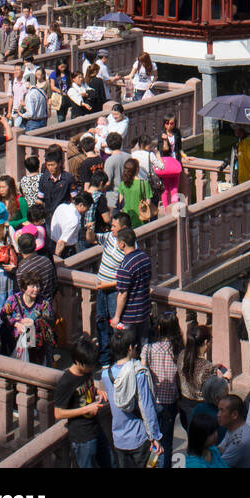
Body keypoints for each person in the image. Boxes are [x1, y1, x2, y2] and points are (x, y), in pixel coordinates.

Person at [101, 329, 162, 468]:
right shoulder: (138, 373)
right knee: (150, 464)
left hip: (119, 439)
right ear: (130, 348)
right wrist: (155, 437)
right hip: (139, 437)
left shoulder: (106, 375)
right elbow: (147, 408)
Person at [54, 334, 113, 469]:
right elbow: (58, 413)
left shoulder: (86, 371)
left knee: (110, 462)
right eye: (88, 365)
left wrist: (98, 391)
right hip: (82, 436)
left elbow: (88, 387)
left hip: (95, 428)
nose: (92, 368)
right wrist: (86, 409)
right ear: (77, 361)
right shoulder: (66, 381)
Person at [141, 311, 186, 469]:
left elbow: (142, 372)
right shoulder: (178, 350)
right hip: (170, 402)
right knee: (167, 442)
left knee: (152, 440)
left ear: (159, 328)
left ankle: (151, 464)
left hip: (152, 401)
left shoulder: (148, 349)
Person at [95, 211, 130, 366]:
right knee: (101, 322)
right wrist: (89, 230)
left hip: (113, 292)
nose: (111, 228)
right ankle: (105, 360)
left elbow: (126, 279)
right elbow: (92, 239)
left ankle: (119, 360)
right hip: (101, 290)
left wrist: (106, 284)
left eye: (114, 226)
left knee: (116, 326)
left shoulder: (128, 248)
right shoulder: (109, 237)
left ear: (123, 227)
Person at [110, 225, 152, 348]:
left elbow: (123, 294)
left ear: (122, 244)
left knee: (127, 349)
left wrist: (116, 317)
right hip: (144, 311)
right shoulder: (145, 257)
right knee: (143, 348)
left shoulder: (126, 265)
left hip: (130, 316)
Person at [0, 273, 56, 364]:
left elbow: (49, 320)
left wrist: (34, 323)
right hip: (15, 340)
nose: (36, 289)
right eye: (32, 286)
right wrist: (16, 324)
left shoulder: (43, 302)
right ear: (24, 288)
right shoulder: (13, 300)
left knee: (34, 363)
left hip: (36, 343)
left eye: (37, 286)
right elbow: (4, 315)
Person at [217, 394, 250, 468]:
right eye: (218, 410)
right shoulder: (232, 428)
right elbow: (220, 450)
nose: (218, 415)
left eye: (222, 411)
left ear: (234, 415)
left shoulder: (240, 441)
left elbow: (220, 466)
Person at [15, 232, 58, 303]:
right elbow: (54, 284)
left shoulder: (21, 269)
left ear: (19, 249)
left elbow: (22, 292)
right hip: (48, 303)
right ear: (35, 246)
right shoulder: (47, 261)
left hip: (32, 307)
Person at [37, 147, 76, 219]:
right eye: (48, 165)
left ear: (59, 163)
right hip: (49, 216)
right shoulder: (44, 178)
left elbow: (74, 197)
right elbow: (40, 199)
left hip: (64, 216)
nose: (50, 168)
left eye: (53, 165)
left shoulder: (68, 178)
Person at [116, 157, 153, 229]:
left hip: (127, 218)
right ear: (137, 170)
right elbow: (148, 202)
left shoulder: (123, 184)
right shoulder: (144, 183)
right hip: (141, 218)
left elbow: (120, 201)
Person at [50, 194, 82, 259]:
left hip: (52, 244)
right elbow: (61, 242)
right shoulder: (74, 219)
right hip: (64, 250)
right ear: (81, 205)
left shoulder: (61, 206)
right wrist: (57, 259)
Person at [156, 134, 182, 211]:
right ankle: (175, 209)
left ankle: (165, 208)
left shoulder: (158, 154)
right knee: (174, 190)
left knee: (165, 191)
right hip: (173, 170)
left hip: (164, 172)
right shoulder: (172, 155)